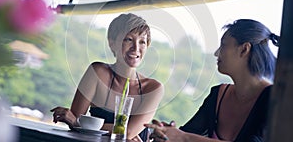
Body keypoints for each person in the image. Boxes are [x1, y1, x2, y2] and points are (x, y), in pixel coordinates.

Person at [145, 19, 279, 142]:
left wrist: (183, 137)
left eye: (223, 45)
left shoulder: (273, 99)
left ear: (244, 49)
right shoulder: (218, 94)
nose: (217, 53)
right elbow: (187, 133)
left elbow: (186, 137)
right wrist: (166, 133)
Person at [51, 13, 164, 142]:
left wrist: (81, 124)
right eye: (128, 39)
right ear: (112, 43)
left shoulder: (153, 88)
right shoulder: (97, 72)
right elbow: (74, 118)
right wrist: (78, 122)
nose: (136, 48)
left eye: (142, 42)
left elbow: (130, 132)